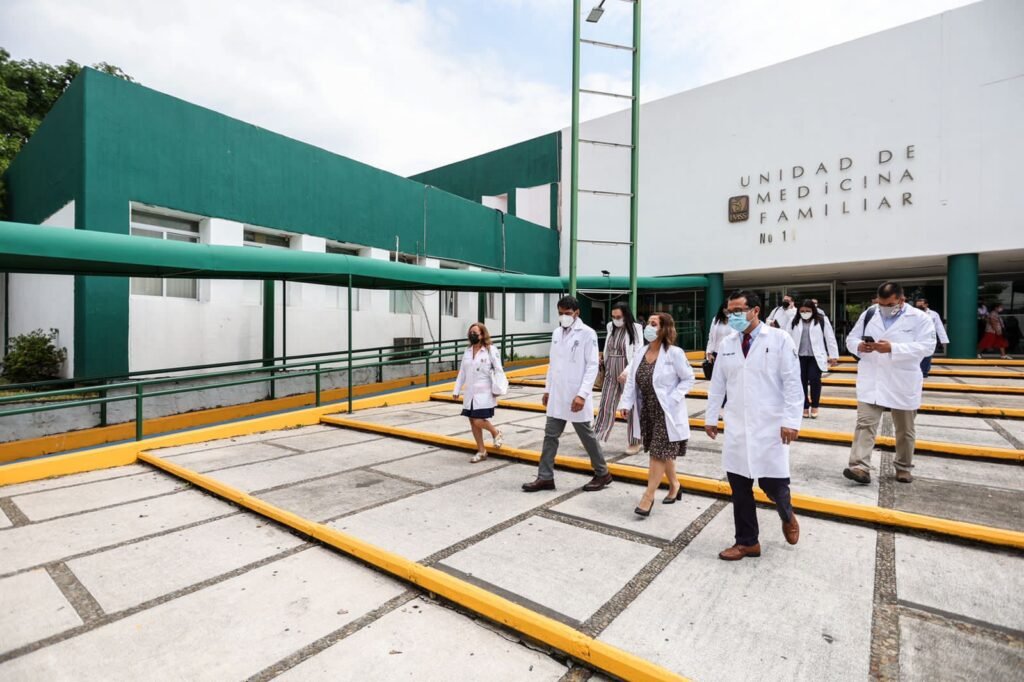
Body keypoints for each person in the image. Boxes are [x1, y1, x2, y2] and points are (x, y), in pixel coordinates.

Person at [704, 290, 804, 561]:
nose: (732, 316)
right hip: (737, 425)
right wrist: (711, 417)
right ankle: (747, 542)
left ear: (755, 311)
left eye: (738, 311)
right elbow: (718, 384)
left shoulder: (779, 339)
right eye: (730, 312)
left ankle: (787, 513)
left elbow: (793, 382)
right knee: (739, 488)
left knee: (774, 486)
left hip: (770, 425)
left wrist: (791, 421)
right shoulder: (727, 343)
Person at [843, 281, 935, 485]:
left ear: (901, 300)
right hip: (872, 379)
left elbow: (928, 347)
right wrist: (860, 346)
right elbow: (851, 339)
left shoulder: (920, 318)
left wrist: (893, 348)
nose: (884, 308)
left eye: (890, 304)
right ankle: (860, 466)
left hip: (902, 381)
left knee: (904, 429)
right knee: (865, 424)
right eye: (881, 304)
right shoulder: (869, 313)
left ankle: (903, 467)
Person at [523, 295, 612, 493]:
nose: (563, 316)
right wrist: (547, 389)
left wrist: (582, 394)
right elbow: (552, 363)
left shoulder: (587, 333)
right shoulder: (556, 333)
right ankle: (545, 477)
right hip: (557, 394)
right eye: (560, 313)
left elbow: (592, 366)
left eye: (568, 313)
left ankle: (602, 473)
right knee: (550, 436)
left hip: (575, 395)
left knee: (587, 436)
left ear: (577, 313)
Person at [618, 313, 696, 517]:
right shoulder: (641, 352)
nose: (648, 327)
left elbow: (689, 378)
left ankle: (648, 496)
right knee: (661, 451)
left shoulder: (674, 353)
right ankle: (675, 484)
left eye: (654, 324)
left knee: (657, 453)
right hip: (647, 409)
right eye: (648, 323)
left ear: (664, 329)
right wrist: (625, 403)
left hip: (666, 410)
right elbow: (632, 380)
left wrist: (673, 398)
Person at [595, 303, 644, 454]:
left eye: (619, 317)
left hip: (627, 371)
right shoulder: (610, 327)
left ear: (626, 315)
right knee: (606, 404)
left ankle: (635, 441)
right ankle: (597, 438)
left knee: (631, 406)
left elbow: (638, 352)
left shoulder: (636, 328)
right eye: (613, 317)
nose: (616, 319)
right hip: (610, 370)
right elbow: (608, 347)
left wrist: (628, 371)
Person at [453, 323, 505, 463]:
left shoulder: (490, 350)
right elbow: (462, 372)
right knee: (472, 421)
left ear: (482, 335)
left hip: (484, 392)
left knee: (478, 420)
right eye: (470, 332)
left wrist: (498, 388)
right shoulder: (467, 351)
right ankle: (481, 451)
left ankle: (496, 432)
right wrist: (456, 389)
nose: (472, 335)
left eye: (475, 333)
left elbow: (499, 370)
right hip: (470, 392)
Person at [789, 300, 840, 418]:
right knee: (800, 382)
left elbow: (830, 338)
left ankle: (815, 405)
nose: (805, 313)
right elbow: (787, 337)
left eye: (807, 311)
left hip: (815, 357)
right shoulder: (794, 320)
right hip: (799, 357)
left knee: (814, 380)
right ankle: (805, 406)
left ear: (813, 310)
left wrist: (833, 356)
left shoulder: (821, 320)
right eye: (802, 311)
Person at [914, 297, 950, 377]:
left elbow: (939, 326)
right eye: (918, 305)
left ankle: (924, 372)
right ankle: (918, 371)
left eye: (921, 305)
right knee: (917, 354)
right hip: (916, 337)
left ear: (926, 305)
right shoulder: (913, 313)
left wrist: (943, 339)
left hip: (929, 338)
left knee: (927, 354)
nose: (919, 307)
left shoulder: (933, 314)